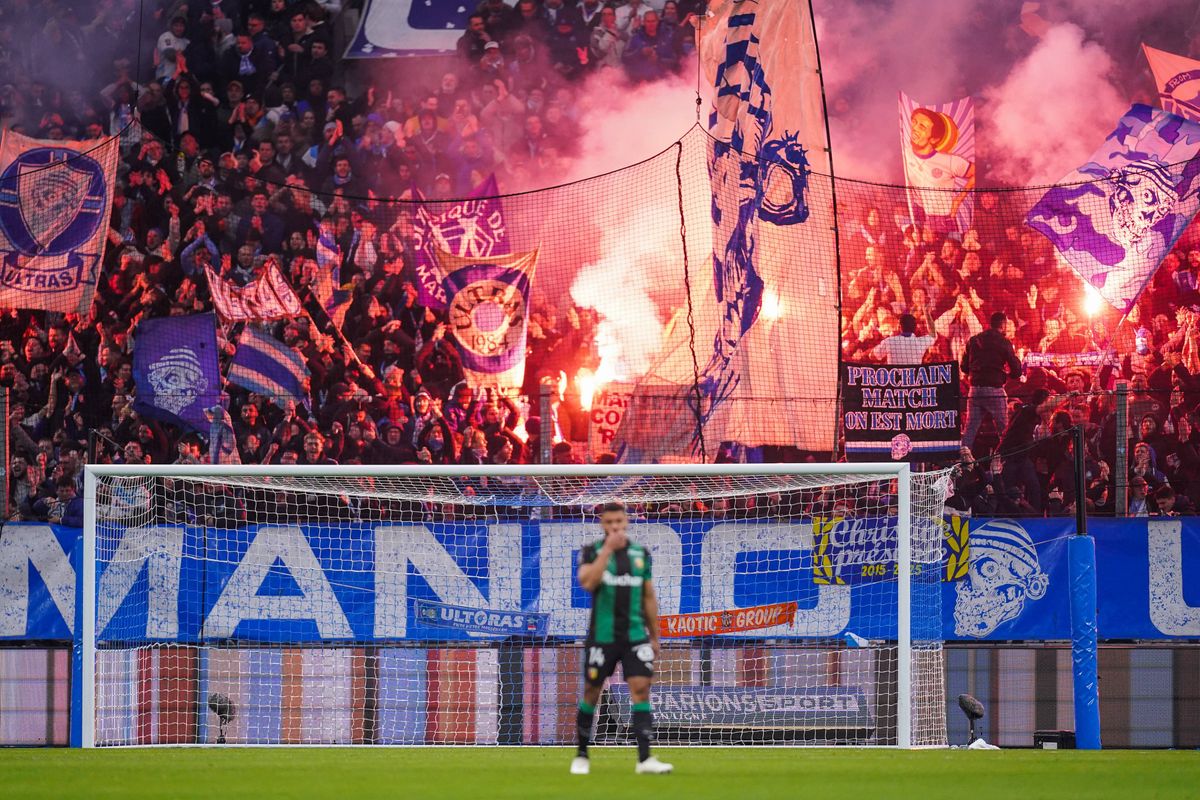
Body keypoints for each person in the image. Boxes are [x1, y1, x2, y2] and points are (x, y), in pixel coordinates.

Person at [571, 502, 671, 776]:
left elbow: (648, 596)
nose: (615, 526)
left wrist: (655, 636)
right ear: (603, 524)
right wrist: (607, 551)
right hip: (602, 637)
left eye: (619, 521)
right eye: (609, 522)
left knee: (640, 689)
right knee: (592, 692)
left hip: (635, 635)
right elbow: (588, 583)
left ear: (626, 521)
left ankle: (645, 759)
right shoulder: (592, 551)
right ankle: (581, 754)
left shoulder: (640, 554)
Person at [961, 311, 1023, 451]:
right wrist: (1011, 374)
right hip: (994, 390)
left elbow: (964, 367)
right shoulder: (1003, 342)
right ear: (1004, 325)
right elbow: (1016, 368)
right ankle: (1006, 460)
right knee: (1003, 429)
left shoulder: (974, 340)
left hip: (975, 390)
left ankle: (963, 462)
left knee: (970, 429)